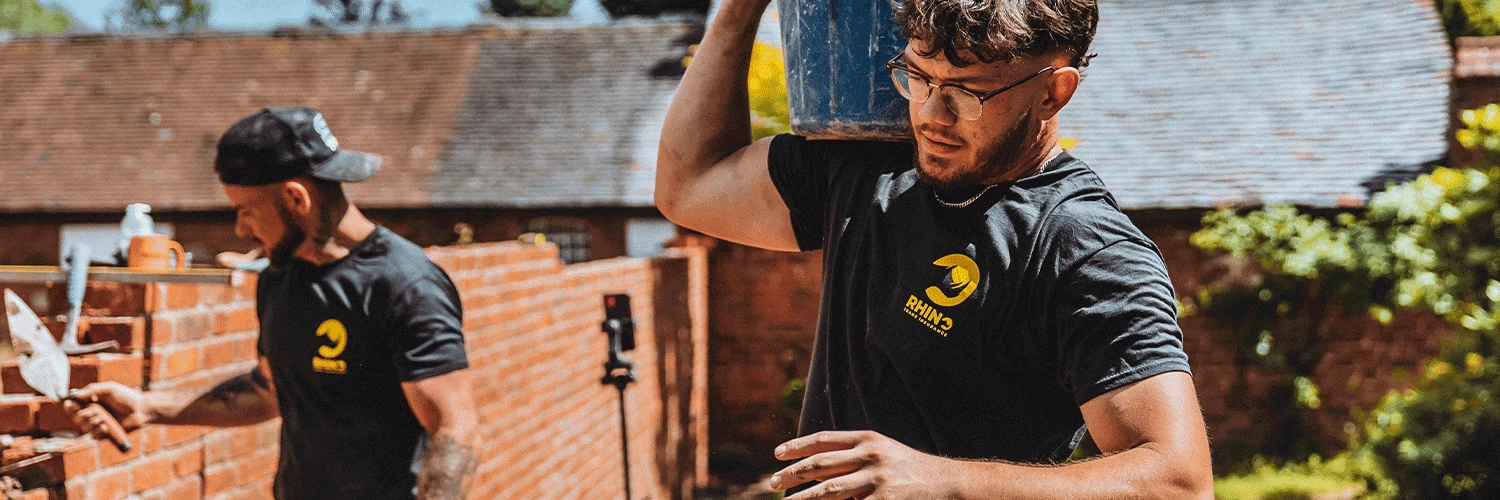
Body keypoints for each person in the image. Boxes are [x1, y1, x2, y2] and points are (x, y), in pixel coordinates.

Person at [656, 0, 1213, 497]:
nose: (930, 115)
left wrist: (940, 480)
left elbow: (1179, 481)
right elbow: (689, 186)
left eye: (967, 93)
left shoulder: (1083, 246)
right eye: (919, 77)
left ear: (1053, 91)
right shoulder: (869, 162)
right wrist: (737, 11)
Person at [65, 107, 481, 500]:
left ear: (296, 198)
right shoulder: (278, 279)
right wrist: (147, 407)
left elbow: (454, 429)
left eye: (246, 210)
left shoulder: (404, 284)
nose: (239, 227)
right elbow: (270, 392)